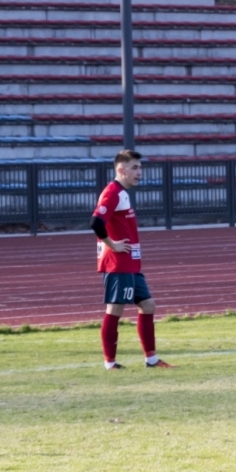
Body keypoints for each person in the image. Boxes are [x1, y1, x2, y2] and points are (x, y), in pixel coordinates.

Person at [91, 150, 172, 369]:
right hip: (118, 264)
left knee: (148, 305)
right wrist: (113, 244)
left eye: (140, 168)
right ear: (121, 170)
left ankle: (151, 360)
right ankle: (110, 363)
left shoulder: (122, 193)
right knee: (115, 309)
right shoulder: (113, 192)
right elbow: (96, 223)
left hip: (131, 264)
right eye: (134, 168)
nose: (139, 172)